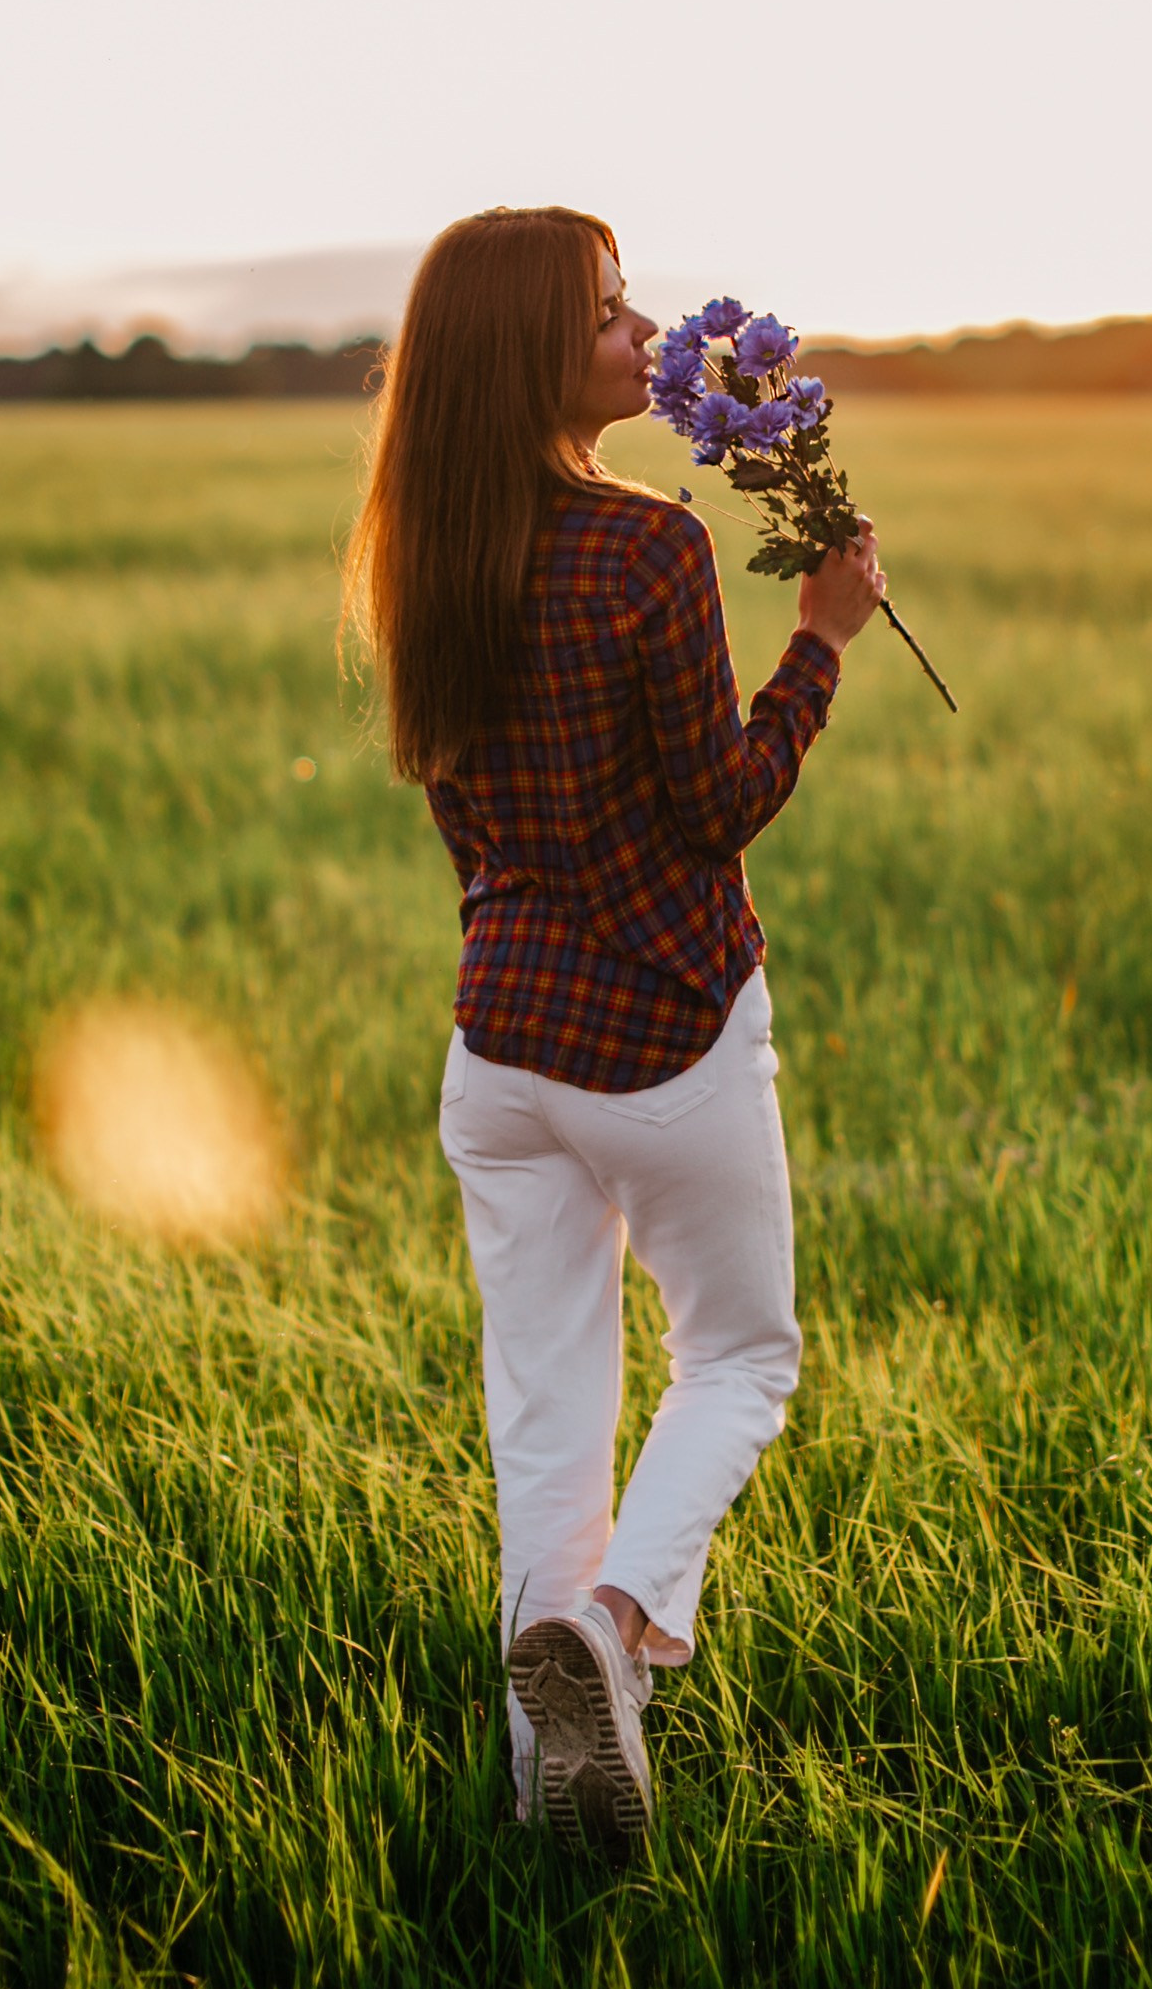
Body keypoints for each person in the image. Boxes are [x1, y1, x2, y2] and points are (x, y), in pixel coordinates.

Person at [342, 204, 885, 1855]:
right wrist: (822, 647)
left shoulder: (421, 551)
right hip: (666, 1035)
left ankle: (552, 1776)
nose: (641, 333)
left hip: (497, 1051)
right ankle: (616, 1625)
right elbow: (718, 807)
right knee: (741, 1354)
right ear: (528, 353)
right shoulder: (645, 545)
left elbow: (458, 816)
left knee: (545, 1420)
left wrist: (519, 936)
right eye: (603, 312)